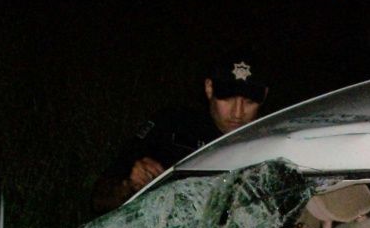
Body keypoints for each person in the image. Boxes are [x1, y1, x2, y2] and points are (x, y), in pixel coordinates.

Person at [91, 49, 269, 215]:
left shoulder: (271, 141)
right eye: (228, 98)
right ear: (209, 88)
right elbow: (100, 200)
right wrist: (128, 185)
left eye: (249, 102)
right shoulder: (172, 124)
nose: (237, 113)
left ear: (264, 96)